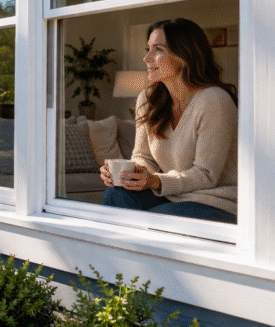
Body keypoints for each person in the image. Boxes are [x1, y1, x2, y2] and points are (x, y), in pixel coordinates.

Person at [100, 18, 238, 224]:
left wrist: (155, 181)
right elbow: (143, 157)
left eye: (158, 49)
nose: (147, 58)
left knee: (157, 220)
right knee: (115, 194)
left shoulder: (214, 100)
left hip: (214, 201)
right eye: (148, 49)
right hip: (168, 195)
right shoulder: (148, 99)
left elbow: (206, 175)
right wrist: (132, 174)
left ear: (184, 55)